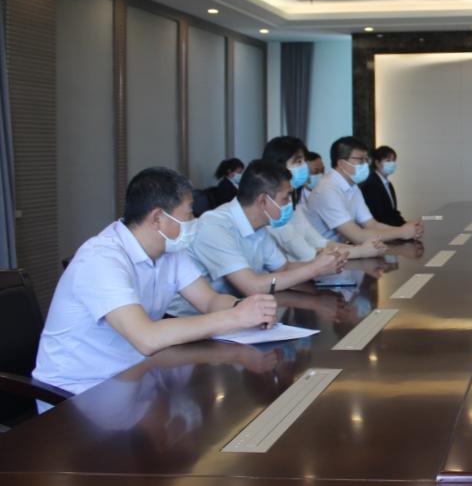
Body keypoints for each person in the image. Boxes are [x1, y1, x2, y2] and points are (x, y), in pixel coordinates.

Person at [33, 167, 277, 396]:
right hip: (80, 392)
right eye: (189, 213)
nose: (194, 220)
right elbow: (147, 338)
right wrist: (236, 317)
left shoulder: (169, 251)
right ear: (158, 218)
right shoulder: (101, 259)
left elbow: (209, 301)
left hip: (133, 376)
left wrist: (247, 308)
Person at [177, 159, 349, 306]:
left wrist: (321, 263)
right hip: (191, 320)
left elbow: (283, 268)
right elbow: (252, 286)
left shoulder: (258, 226)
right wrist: (314, 269)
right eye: (285, 198)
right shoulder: (215, 226)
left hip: (236, 309)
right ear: (263, 201)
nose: (290, 203)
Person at [261, 136, 384, 262]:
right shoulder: (271, 205)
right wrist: (361, 251)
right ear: (278, 165)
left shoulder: (292, 201)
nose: (305, 167)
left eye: (304, 161)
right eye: (298, 161)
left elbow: (319, 242)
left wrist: (361, 248)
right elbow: (308, 254)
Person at [304, 136, 423, 243]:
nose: (366, 165)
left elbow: (371, 224)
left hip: (342, 251)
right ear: (342, 163)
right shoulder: (328, 189)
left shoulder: (352, 186)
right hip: (320, 255)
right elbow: (357, 236)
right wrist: (402, 232)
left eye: (366, 160)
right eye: (361, 160)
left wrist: (406, 230)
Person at [359, 145, 407, 227]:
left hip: (390, 229)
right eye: (388, 160)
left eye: (393, 160)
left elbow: (392, 212)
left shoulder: (388, 184)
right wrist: (402, 229)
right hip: (378, 230)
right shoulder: (371, 184)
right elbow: (379, 215)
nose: (392, 164)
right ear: (377, 163)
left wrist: (406, 224)